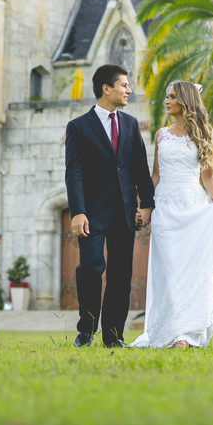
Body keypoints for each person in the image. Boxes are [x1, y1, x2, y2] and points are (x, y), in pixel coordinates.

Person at [64, 64, 156, 347]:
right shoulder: (78, 127)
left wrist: (147, 205)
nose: (129, 90)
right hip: (92, 213)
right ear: (106, 88)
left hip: (125, 214)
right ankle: (86, 329)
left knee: (120, 276)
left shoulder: (130, 124)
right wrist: (78, 211)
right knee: (91, 268)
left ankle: (113, 336)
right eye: (124, 85)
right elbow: (74, 172)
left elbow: (140, 168)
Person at [131, 81, 213, 349]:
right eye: (166, 96)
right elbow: (155, 175)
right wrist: (146, 205)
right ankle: (169, 329)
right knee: (169, 271)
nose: (167, 101)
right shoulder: (162, 135)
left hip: (192, 207)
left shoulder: (205, 133)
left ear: (185, 100)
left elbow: (208, 174)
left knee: (190, 271)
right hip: (165, 208)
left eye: (172, 96)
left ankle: (185, 334)